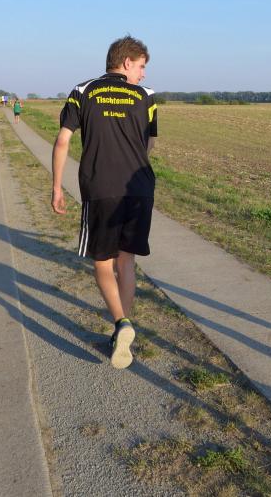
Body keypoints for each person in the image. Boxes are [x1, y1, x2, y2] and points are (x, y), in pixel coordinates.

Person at [51, 35, 158, 369]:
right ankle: (121, 332)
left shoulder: (83, 91)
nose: (143, 74)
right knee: (126, 262)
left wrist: (56, 186)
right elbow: (150, 144)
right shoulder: (147, 96)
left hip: (101, 188)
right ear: (126, 62)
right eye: (141, 66)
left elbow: (63, 141)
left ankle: (121, 324)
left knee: (102, 263)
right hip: (139, 189)